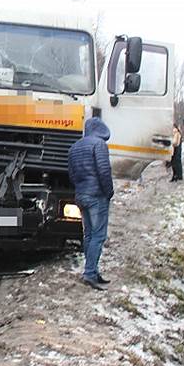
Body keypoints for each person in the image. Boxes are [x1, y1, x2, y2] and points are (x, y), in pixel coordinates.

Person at [67, 117, 114, 291]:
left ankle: (92, 270)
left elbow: (71, 174)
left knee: (88, 235)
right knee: (98, 236)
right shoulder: (99, 145)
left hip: (81, 195)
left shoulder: (75, 147)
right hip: (96, 195)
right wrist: (108, 192)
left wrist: (81, 188)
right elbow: (104, 170)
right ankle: (90, 273)